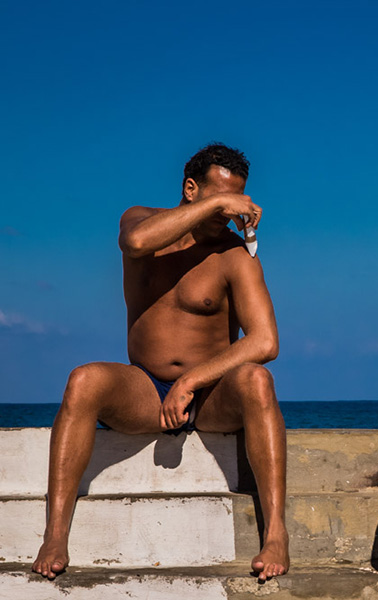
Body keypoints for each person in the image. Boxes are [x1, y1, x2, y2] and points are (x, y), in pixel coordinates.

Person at [32, 143, 289, 581]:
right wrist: (217, 204)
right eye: (220, 200)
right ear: (191, 189)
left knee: (258, 380)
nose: (229, 212)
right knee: (83, 380)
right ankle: (55, 534)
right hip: (146, 390)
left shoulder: (234, 256)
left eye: (235, 201)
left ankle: (276, 534)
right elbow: (134, 243)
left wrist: (192, 380)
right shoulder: (140, 221)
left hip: (208, 395)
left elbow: (265, 341)